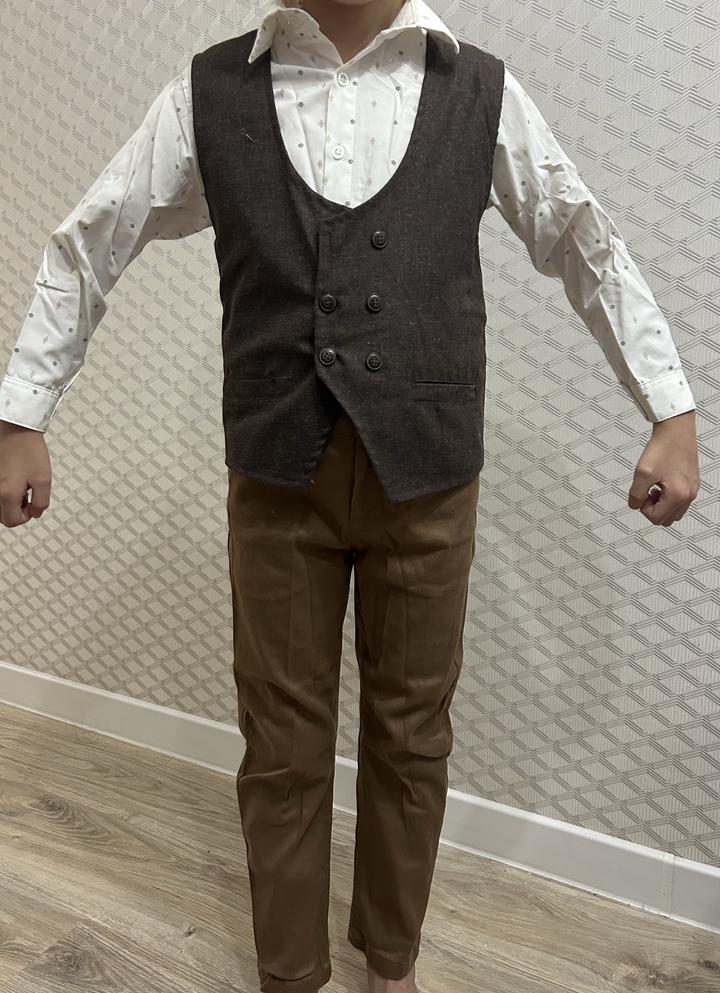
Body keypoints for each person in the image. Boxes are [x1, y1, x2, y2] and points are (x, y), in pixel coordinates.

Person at [0, 1, 701, 992]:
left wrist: (669, 404)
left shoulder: (479, 91)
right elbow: (91, 240)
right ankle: (290, 972)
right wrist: (23, 411)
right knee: (281, 744)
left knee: (414, 736)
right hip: (277, 480)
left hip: (429, 482)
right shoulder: (210, 93)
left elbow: (583, 238)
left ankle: (391, 960)